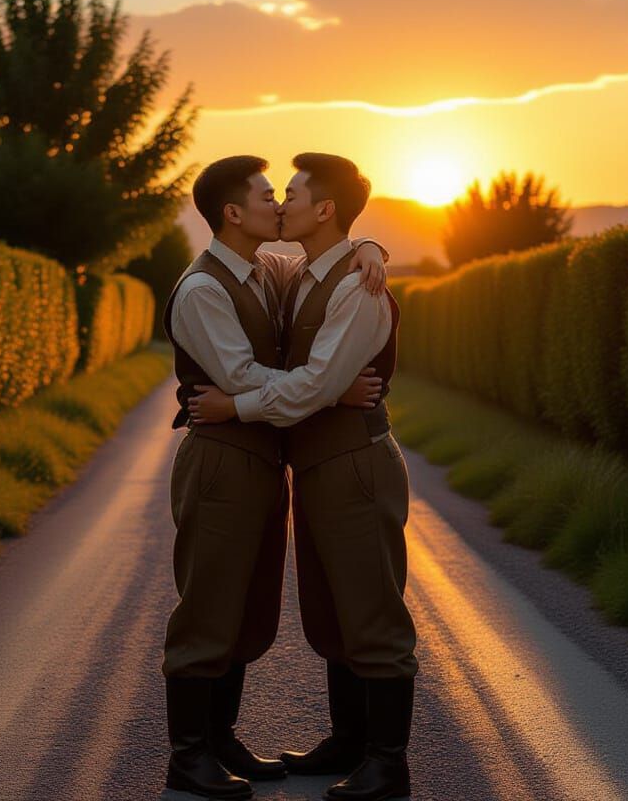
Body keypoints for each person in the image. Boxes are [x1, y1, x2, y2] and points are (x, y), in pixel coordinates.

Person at [189, 152, 418, 801]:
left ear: (324, 209)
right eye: (276, 194)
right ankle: (348, 742)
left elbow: (315, 386)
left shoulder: (355, 286)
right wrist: (370, 240)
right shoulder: (300, 271)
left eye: (291, 193)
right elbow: (318, 375)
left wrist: (235, 404)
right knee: (333, 611)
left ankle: (387, 765)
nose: (281, 203)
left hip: (355, 466)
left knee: (372, 612)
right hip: (320, 469)